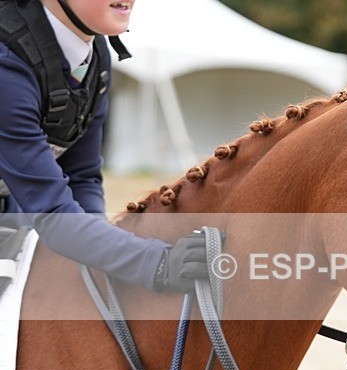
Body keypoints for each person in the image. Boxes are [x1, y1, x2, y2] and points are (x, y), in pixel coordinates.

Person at [0, 0, 206, 293]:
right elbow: (54, 212)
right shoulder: (6, 67)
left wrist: (104, 251)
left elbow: (82, 177)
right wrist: (157, 262)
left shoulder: (96, 56)